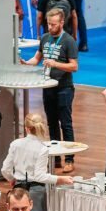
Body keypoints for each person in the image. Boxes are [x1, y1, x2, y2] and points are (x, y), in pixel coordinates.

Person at [21, 9, 79, 172]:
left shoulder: (69, 41)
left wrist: (55, 64)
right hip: (48, 87)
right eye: (48, 24)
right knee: (51, 123)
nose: (50, 27)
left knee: (65, 124)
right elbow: (37, 58)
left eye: (53, 24)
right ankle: (55, 158)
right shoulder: (45, 38)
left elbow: (74, 66)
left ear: (62, 23)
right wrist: (26, 63)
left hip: (64, 88)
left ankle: (69, 159)